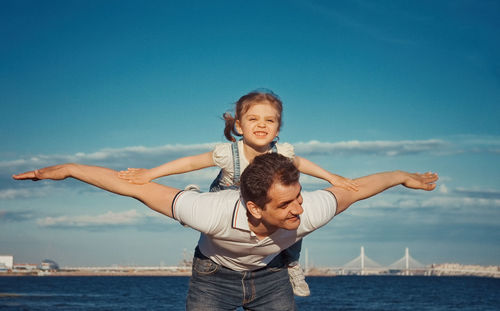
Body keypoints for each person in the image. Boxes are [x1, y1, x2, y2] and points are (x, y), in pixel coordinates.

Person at [12, 153, 438, 310]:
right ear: (253, 206)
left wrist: (404, 176)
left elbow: (360, 188)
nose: (299, 210)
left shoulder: (311, 211)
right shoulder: (210, 211)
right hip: (212, 280)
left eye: (299, 197)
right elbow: (132, 187)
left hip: (272, 280)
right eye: (286, 204)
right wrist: (67, 170)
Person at [117, 90, 359, 296]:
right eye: (253, 119)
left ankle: (291, 264)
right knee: (204, 217)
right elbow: (189, 163)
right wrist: (150, 174)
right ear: (240, 126)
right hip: (225, 200)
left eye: (270, 121)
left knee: (292, 223)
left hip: (260, 208)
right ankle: (191, 195)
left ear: (277, 129)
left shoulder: (282, 152)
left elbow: (301, 164)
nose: (262, 124)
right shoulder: (228, 153)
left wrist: (331, 177)